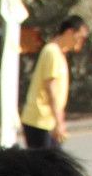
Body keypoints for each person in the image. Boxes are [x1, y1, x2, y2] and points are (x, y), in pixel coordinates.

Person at [20, 16, 88, 149]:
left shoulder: (58, 53)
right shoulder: (52, 52)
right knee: (45, 161)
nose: (80, 42)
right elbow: (50, 89)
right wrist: (59, 122)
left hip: (47, 120)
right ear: (69, 32)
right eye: (79, 37)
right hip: (40, 120)